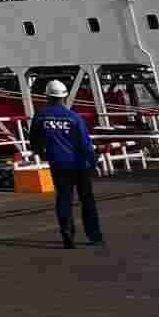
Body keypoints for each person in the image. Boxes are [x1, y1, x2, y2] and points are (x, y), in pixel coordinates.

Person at [29, 79, 104, 249]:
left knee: (64, 199)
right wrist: (94, 163)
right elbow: (85, 144)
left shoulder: (40, 116)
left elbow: (34, 141)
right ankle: (94, 236)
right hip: (80, 164)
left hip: (58, 165)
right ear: (64, 97)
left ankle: (67, 235)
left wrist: (43, 154)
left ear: (47, 96)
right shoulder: (74, 117)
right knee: (87, 200)